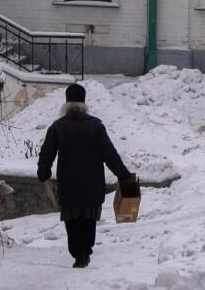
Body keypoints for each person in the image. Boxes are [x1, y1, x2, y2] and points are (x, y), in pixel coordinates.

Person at [36, 82, 139, 268]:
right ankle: (85, 252)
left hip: (68, 185)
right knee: (89, 220)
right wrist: (124, 176)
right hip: (92, 185)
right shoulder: (96, 126)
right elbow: (110, 154)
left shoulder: (57, 127)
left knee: (72, 221)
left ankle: (78, 254)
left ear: (66, 103)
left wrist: (43, 174)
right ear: (84, 104)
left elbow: (46, 154)